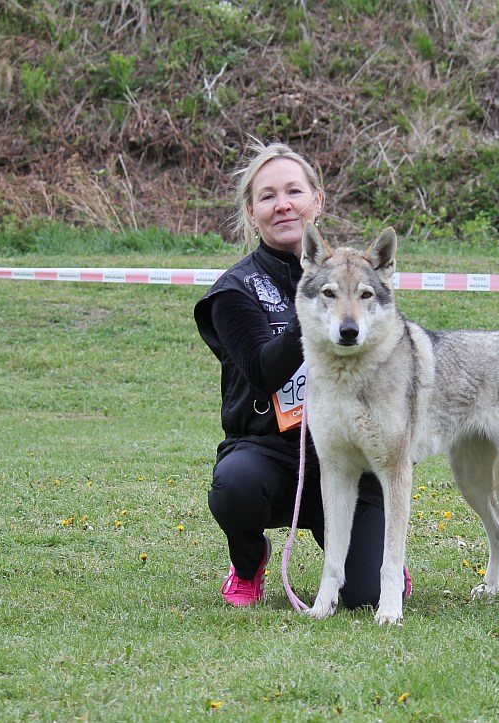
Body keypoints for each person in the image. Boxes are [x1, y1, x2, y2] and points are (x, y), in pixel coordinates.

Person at [194, 138, 408, 608]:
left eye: (294, 191)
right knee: (235, 486)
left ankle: (373, 561)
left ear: (317, 200)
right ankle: (249, 562)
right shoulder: (233, 290)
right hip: (270, 455)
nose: (283, 204)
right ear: (251, 212)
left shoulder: (360, 281)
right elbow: (261, 370)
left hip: (349, 454)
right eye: (267, 196)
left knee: (366, 597)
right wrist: (313, 306)